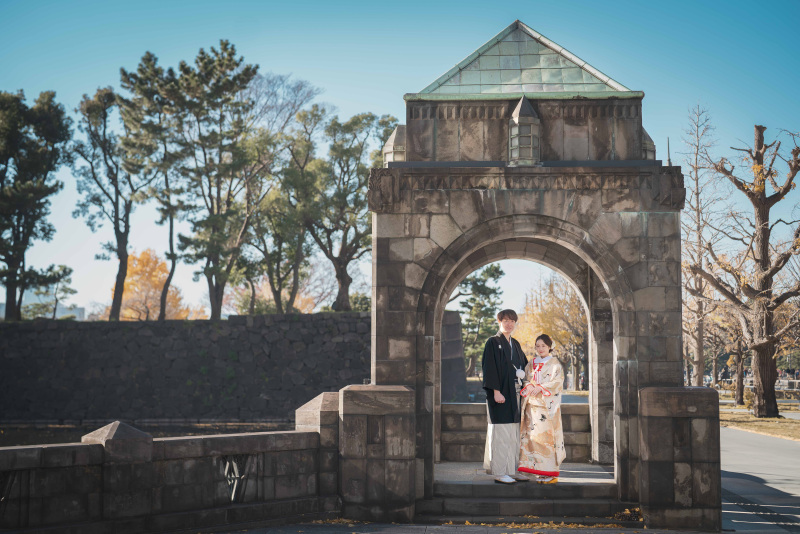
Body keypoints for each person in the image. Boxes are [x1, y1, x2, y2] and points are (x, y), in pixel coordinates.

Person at [481, 309, 529, 484]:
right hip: (500, 395)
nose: (509, 324)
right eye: (505, 320)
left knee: (514, 434)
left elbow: (524, 365)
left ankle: (513, 470)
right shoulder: (492, 342)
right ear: (499, 322)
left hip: (515, 394)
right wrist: (495, 391)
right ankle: (500, 472)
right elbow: (489, 368)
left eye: (512, 321)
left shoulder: (515, 343)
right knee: (501, 433)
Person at [518, 334, 565, 484]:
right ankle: (537, 470)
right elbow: (525, 379)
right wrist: (530, 385)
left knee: (547, 439)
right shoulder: (531, 363)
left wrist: (540, 387)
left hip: (546, 408)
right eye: (537, 346)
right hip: (531, 407)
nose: (540, 349)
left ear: (550, 346)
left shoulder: (555, 364)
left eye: (543, 346)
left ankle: (550, 472)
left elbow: (557, 383)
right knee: (532, 438)